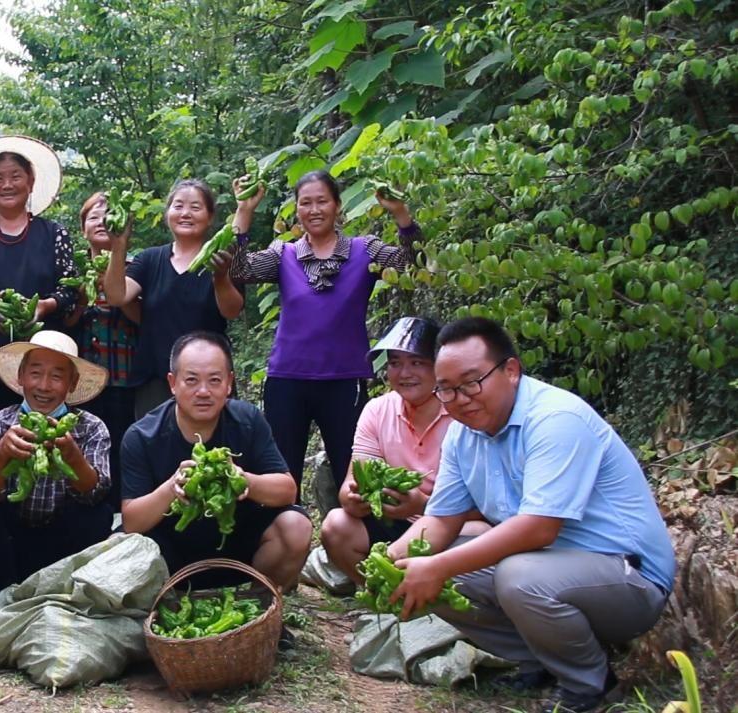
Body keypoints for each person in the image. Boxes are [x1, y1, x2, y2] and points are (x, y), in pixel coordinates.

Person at [387, 317, 675, 713]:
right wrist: (398, 558)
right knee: (423, 571)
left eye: (472, 382)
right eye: (447, 389)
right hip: (549, 569)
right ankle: (540, 661)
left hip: (630, 580)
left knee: (515, 577)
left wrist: (435, 566)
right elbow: (441, 520)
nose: (460, 398)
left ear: (511, 371)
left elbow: (538, 528)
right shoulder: (462, 434)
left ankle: (590, 687)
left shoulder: (556, 419)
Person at [230, 171, 420, 512]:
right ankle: (285, 549)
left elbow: (412, 264)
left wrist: (401, 214)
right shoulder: (283, 254)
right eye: (306, 202)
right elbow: (239, 271)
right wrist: (244, 210)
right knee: (281, 472)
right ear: (297, 209)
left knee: (358, 475)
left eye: (322, 201)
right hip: (287, 380)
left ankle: (363, 549)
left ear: (337, 206)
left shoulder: (365, 250)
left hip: (345, 381)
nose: (314, 209)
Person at [120, 331, 312, 591]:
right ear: (172, 383)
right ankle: (165, 606)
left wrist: (244, 480)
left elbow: (287, 490)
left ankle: (259, 604)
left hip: (239, 551)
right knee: (125, 550)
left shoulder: (248, 420)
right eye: (191, 380)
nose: (203, 391)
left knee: (296, 527)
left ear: (229, 383)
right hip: (171, 558)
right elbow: (131, 522)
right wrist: (171, 488)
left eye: (214, 380)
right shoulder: (141, 436)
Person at [321, 317, 488, 581]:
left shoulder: (462, 411)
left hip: (449, 522)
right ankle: (381, 596)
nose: (404, 373)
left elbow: (487, 506)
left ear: (439, 367)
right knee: (336, 524)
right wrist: (354, 499)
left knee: (478, 532)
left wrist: (423, 504)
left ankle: (438, 598)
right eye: (395, 363)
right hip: (393, 519)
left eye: (417, 363)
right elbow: (351, 482)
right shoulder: (377, 410)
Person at [0, 330, 113, 601]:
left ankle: (66, 590)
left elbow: (95, 492)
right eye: (35, 373)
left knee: (99, 514)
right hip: (10, 544)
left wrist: (72, 456)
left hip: (61, 545)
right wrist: (1, 455)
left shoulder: (91, 428)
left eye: (57, 376)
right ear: (21, 377)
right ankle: (1, 591)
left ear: (72, 383)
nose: (44, 386)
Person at [0, 136, 79, 419]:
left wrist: (44, 306)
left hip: (46, 349)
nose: (7, 185)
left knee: (48, 431)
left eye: (15, 176)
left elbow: (70, 288)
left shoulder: (55, 233)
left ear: (31, 182)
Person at [102, 179, 243, 418]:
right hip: (155, 379)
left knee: (212, 451)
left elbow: (231, 311)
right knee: (156, 451)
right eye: (178, 206)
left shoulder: (221, 257)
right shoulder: (149, 259)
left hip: (208, 380)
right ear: (168, 213)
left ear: (210, 217)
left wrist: (220, 278)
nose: (185, 213)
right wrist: (119, 246)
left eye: (195, 207)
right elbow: (116, 296)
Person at [69, 192, 142, 508]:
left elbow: (144, 319)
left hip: (124, 376)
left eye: (108, 215)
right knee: (82, 446)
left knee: (122, 445)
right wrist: (84, 295)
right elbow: (63, 321)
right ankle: (88, 511)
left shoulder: (136, 265)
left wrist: (114, 287)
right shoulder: (72, 268)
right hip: (79, 379)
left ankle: (120, 514)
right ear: (83, 227)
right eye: (93, 217)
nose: (101, 221)